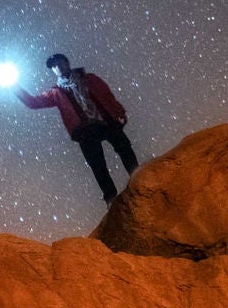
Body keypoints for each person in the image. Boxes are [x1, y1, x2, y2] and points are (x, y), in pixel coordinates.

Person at [16, 53, 138, 204]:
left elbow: (107, 95)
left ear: (67, 63)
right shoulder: (56, 92)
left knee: (124, 148)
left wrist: (118, 110)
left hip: (105, 120)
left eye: (60, 63)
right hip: (84, 130)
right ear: (53, 71)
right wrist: (15, 87)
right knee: (97, 165)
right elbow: (33, 102)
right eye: (54, 66)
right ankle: (111, 198)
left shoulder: (89, 78)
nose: (58, 67)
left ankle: (138, 177)